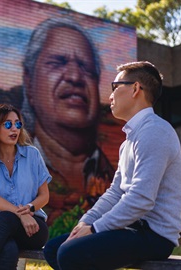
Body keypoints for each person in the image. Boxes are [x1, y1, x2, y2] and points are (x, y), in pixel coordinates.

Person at [43, 61, 181, 269]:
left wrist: (95, 229)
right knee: (54, 249)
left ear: (136, 88)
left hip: (154, 235)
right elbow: (115, 192)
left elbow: (141, 199)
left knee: (69, 254)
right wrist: (85, 222)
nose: (110, 96)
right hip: (132, 227)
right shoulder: (130, 140)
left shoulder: (155, 132)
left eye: (115, 87)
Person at [22, 17, 114, 223]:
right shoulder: (15, 164)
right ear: (29, 82)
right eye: (57, 63)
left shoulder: (118, 174)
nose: (75, 76)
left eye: (87, 68)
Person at [0, 103, 52, 270]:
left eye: (18, 124)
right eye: (8, 124)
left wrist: (28, 211)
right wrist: (22, 215)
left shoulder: (32, 155)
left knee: (6, 219)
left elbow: (44, 196)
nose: (15, 129)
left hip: (32, 226)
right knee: (8, 248)